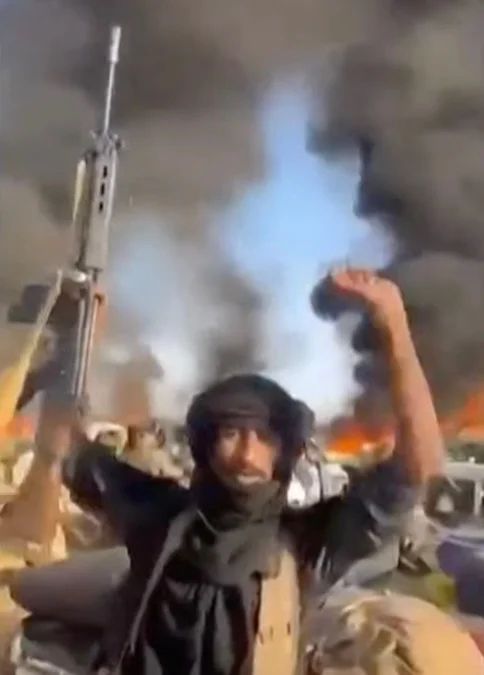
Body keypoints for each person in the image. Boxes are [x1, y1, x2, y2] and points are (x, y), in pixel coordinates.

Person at [54, 269, 443, 675]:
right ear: (205, 444)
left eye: (264, 438)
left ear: (284, 452)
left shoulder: (305, 546)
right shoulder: (156, 513)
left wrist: (393, 324)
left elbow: (419, 466)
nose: (246, 455)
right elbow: (65, 446)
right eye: (230, 433)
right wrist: (79, 337)